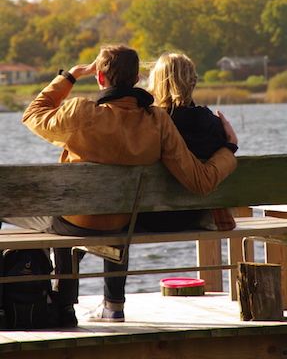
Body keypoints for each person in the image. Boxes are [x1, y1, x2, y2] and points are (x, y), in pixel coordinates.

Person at [1, 45, 237, 327]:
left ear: (100, 78)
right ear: (137, 79)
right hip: (122, 223)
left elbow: (32, 114)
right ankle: (109, 304)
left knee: (51, 209)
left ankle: (63, 304)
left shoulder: (80, 111)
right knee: (87, 207)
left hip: (73, 221)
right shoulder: (157, 120)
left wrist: (69, 77)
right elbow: (201, 180)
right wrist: (229, 148)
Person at [136, 52, 238, 232]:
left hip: (145, 217)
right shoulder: (214, 125)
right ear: (193, 81)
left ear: (156, 82)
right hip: (189, 216)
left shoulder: (149, 123)